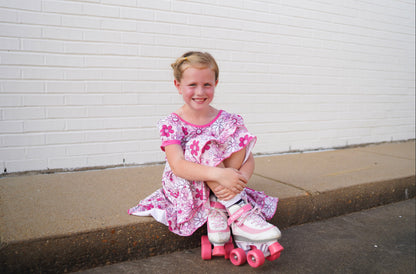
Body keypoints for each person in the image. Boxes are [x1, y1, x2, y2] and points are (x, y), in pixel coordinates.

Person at [128, 51, 280, 250]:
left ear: (215, 84)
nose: (200, 92)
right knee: (200, 143)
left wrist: (237, 180)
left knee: (236, 133)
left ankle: (222, 205)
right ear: (178, 86)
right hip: (187, 185)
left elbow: (246, 156)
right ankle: (238, 211)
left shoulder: (227, 120)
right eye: (192, 85)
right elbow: (178, 165)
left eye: (206, 84)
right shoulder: (171, 123)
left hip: (224, 184)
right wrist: (221, 174)